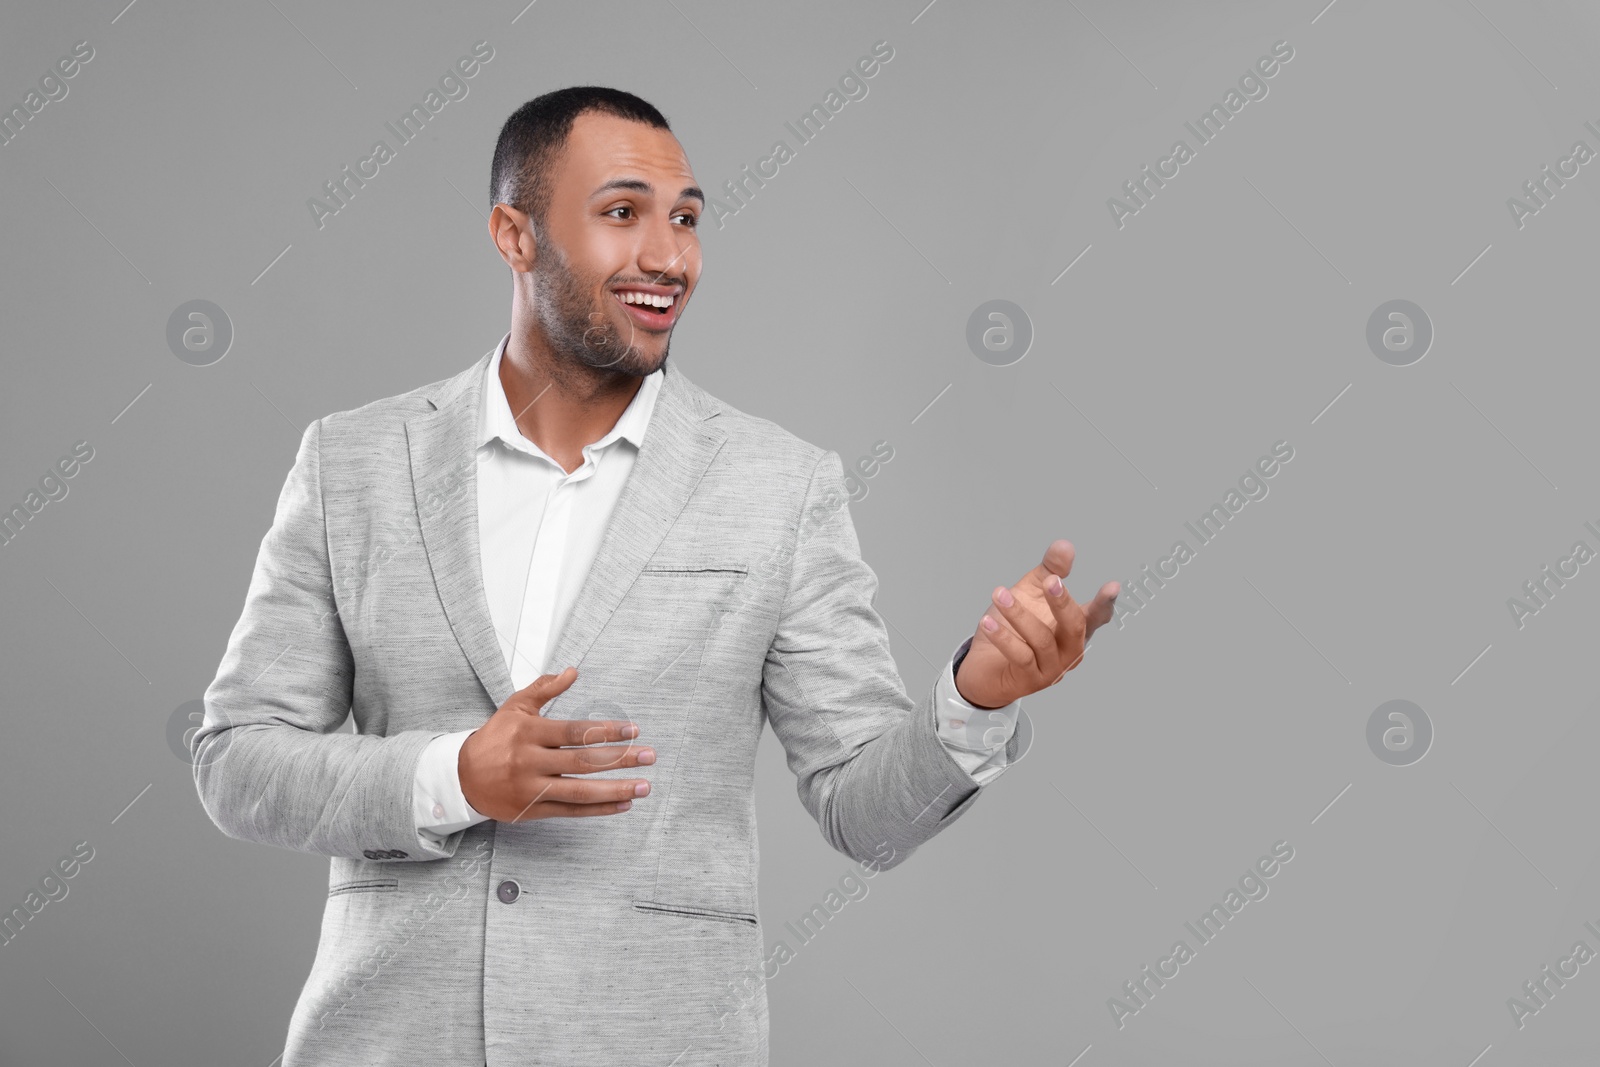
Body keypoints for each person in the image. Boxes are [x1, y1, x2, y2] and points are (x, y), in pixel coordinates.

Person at [193, 85, 1119, 1066]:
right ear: (515, 235)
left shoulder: (780, 485)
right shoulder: (353, 461)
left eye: (685, 219)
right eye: (622, 213)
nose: (669, 257)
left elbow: (865, 812)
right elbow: (238, 762)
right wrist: (454, 775)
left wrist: (977, 692)